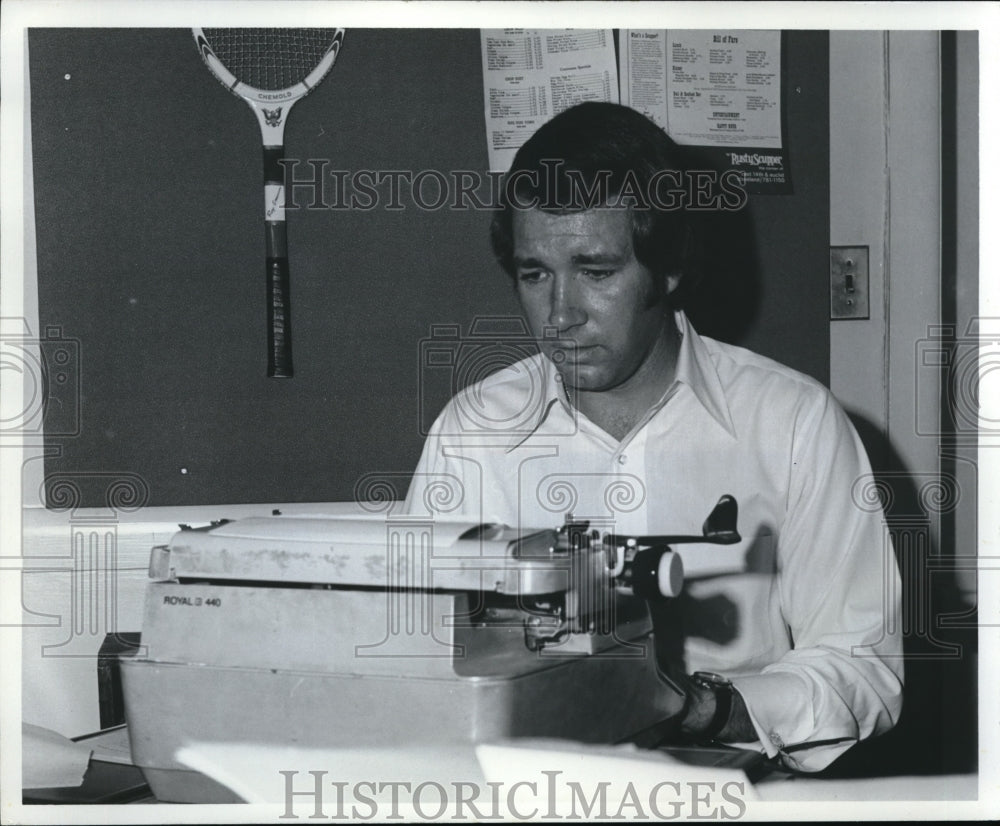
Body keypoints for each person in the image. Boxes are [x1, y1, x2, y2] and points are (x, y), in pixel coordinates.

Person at [404, 101, 903, 773]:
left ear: (667, 269)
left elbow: (864, 666)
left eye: (597, 271)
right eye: (534, 274)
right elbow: (420, 664)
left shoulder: (794, 423)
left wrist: (699, 707)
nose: (560, 314)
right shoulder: (473, 432)